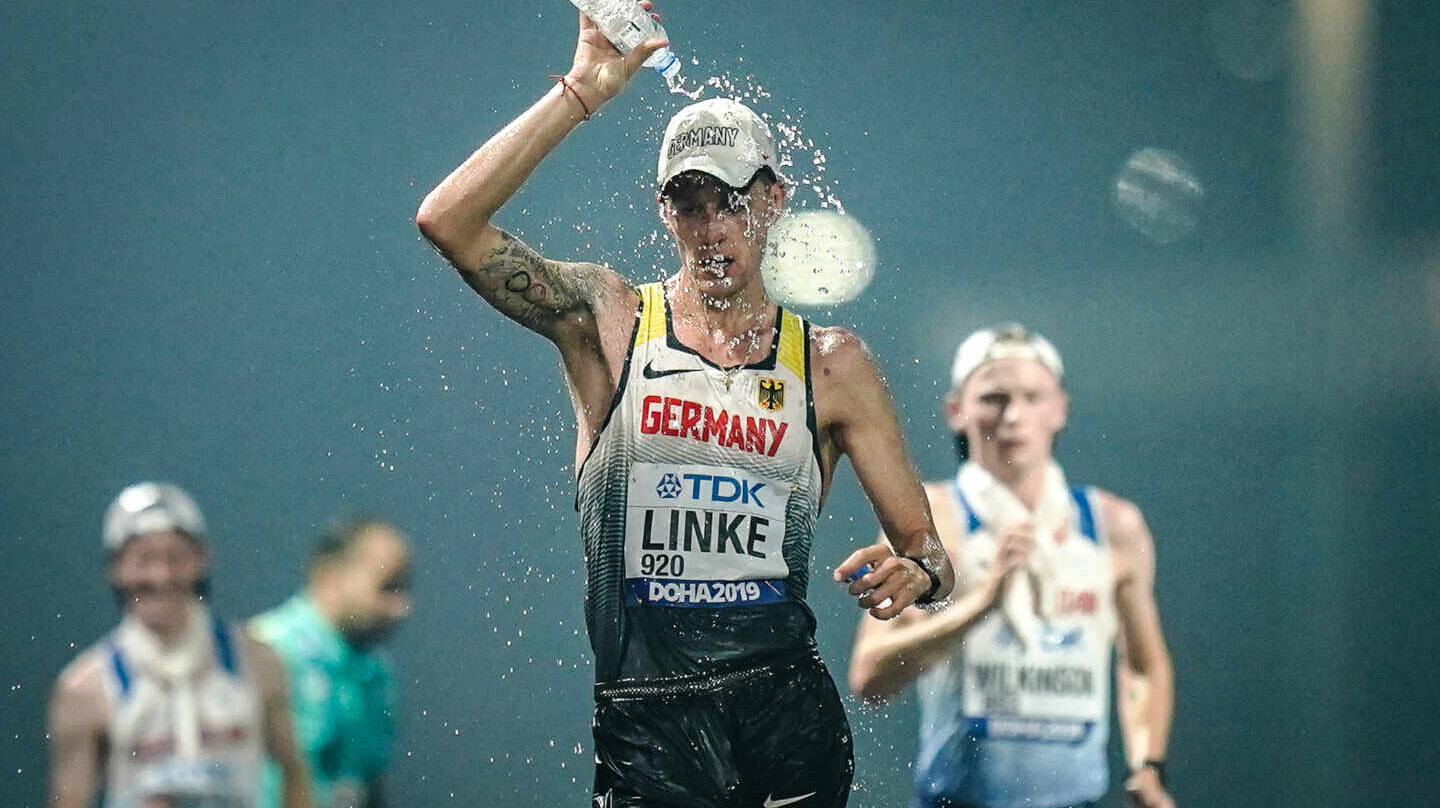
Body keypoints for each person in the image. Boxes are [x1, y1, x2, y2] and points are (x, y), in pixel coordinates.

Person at [414, 6, 955, 806]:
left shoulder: (832, 363)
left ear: (774, 201)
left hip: (785, 714)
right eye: (691, 204)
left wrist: (919, 572)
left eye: (732, 201)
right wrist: (584, 90)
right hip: (648, 727)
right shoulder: (610, 319)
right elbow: (447, 221)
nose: (712, 227)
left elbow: (933, 556)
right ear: (664, 209)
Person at [848, 324, 1178, 808]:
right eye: (994, 398)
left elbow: (1144, 664)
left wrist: (1147, 767)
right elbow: (870, 676)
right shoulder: (933, 520)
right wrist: (983, 603)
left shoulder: (1113, 525)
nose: (1014, 416)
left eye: (1032, 396)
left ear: (1060, 408)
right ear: (957, 410)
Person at [46, 482, 311, 808]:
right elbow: (71, 800)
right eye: (143, 559)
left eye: (175, 558)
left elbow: (296, 775)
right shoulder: (85, 688)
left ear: (202, 559)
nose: (161, 576)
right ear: (115, 568)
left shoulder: (257, 661)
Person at [250, 518, 412, 808]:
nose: (402, 608)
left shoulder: (377, 672)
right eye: (388, 587)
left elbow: (369, 783)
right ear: (331, 577)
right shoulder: (267, 652)